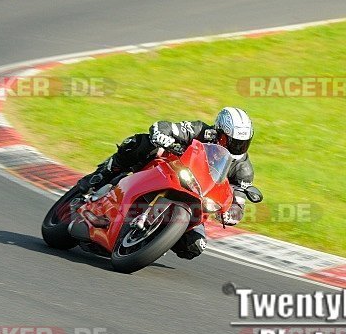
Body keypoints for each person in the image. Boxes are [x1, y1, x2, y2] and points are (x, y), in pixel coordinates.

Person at [76, 107, 257, 259]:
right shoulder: (201, 130)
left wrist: (231, 214)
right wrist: (164, 135)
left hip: (197, 200)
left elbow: (238, 202)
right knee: (140, 143)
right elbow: (167, 127)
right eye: (231, 141)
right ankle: (102, 174)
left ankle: (149, 240)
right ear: (219, 131)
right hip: (168, 171)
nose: (236, 147)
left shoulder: (243, 169)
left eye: (242, 143)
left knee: (195, 246)